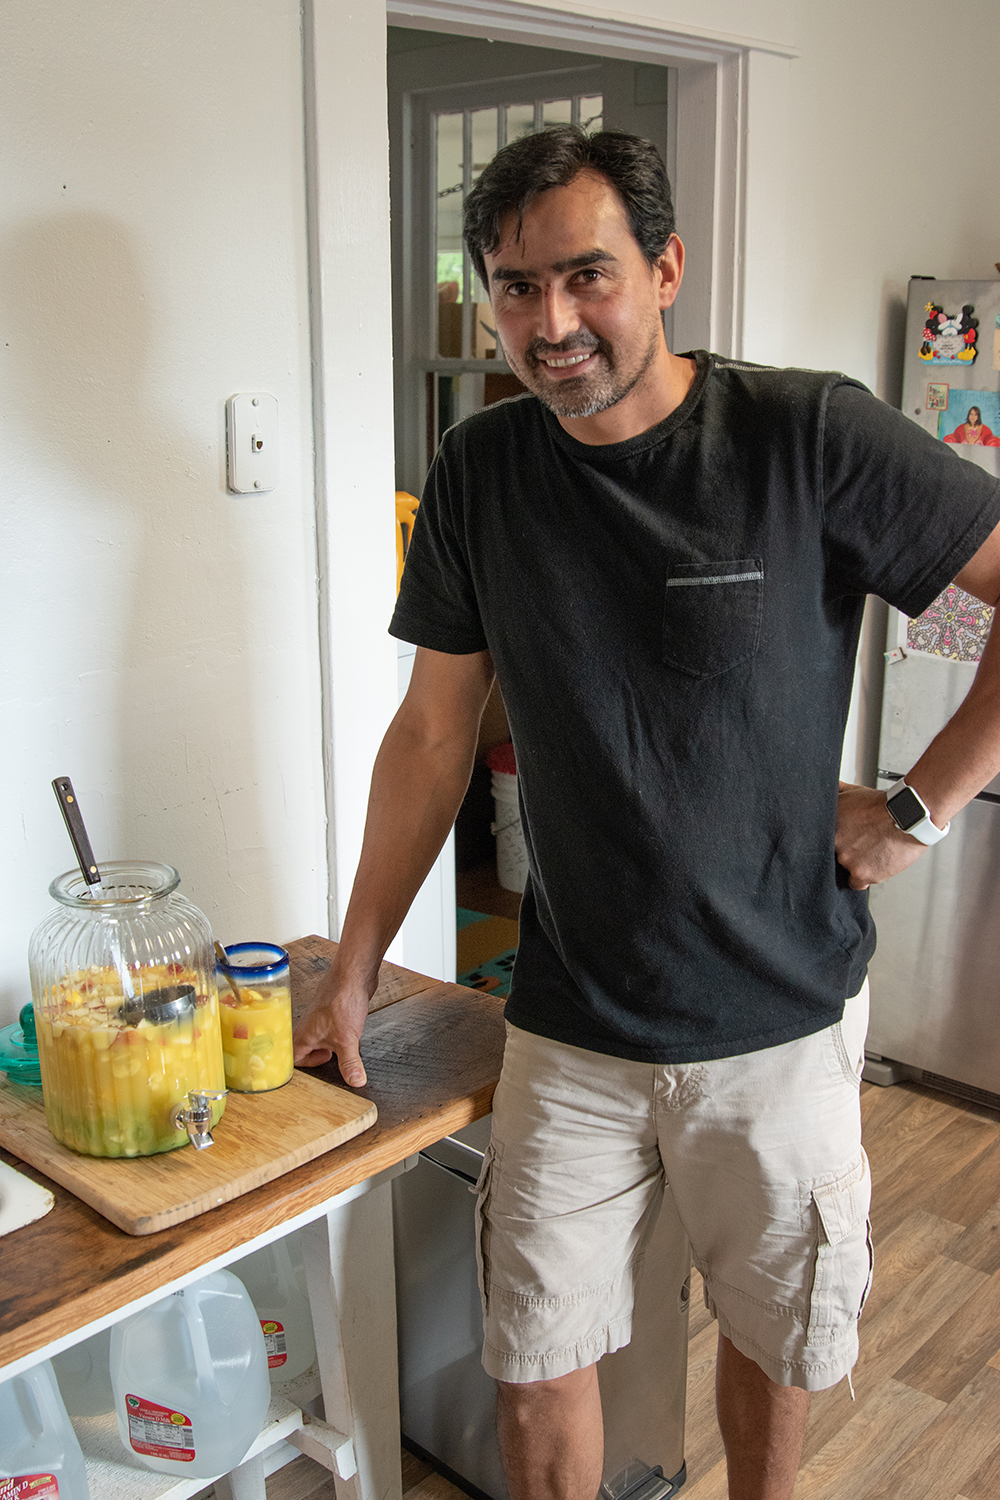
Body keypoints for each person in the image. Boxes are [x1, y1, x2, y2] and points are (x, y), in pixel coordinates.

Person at [294, 127, 1000, 1500]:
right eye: (512, 286)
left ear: (665, 268)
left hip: (780, 1018)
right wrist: (357, 965)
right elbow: (434, 734)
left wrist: (920, 807)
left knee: (772, 1336)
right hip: (574, 1017)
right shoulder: (482, 472)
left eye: (586, 276)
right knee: (535, 1349)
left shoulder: (804, 436)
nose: (548, 323)